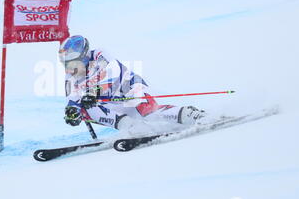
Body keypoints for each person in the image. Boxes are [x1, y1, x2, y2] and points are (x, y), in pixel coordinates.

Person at [59, 35, 209, 135]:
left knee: (151, 115)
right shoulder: (70, 77)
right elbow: (72, 101)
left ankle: (190, 114)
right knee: (85, 109)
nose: (69, 68)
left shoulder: (99, 55)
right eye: (65, 64)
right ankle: (131, 128)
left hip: (130, 90)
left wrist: (94, 92)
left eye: (72, 63)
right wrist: (73, 113)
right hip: (114, 106)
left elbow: (113, 73)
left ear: (84, 56)